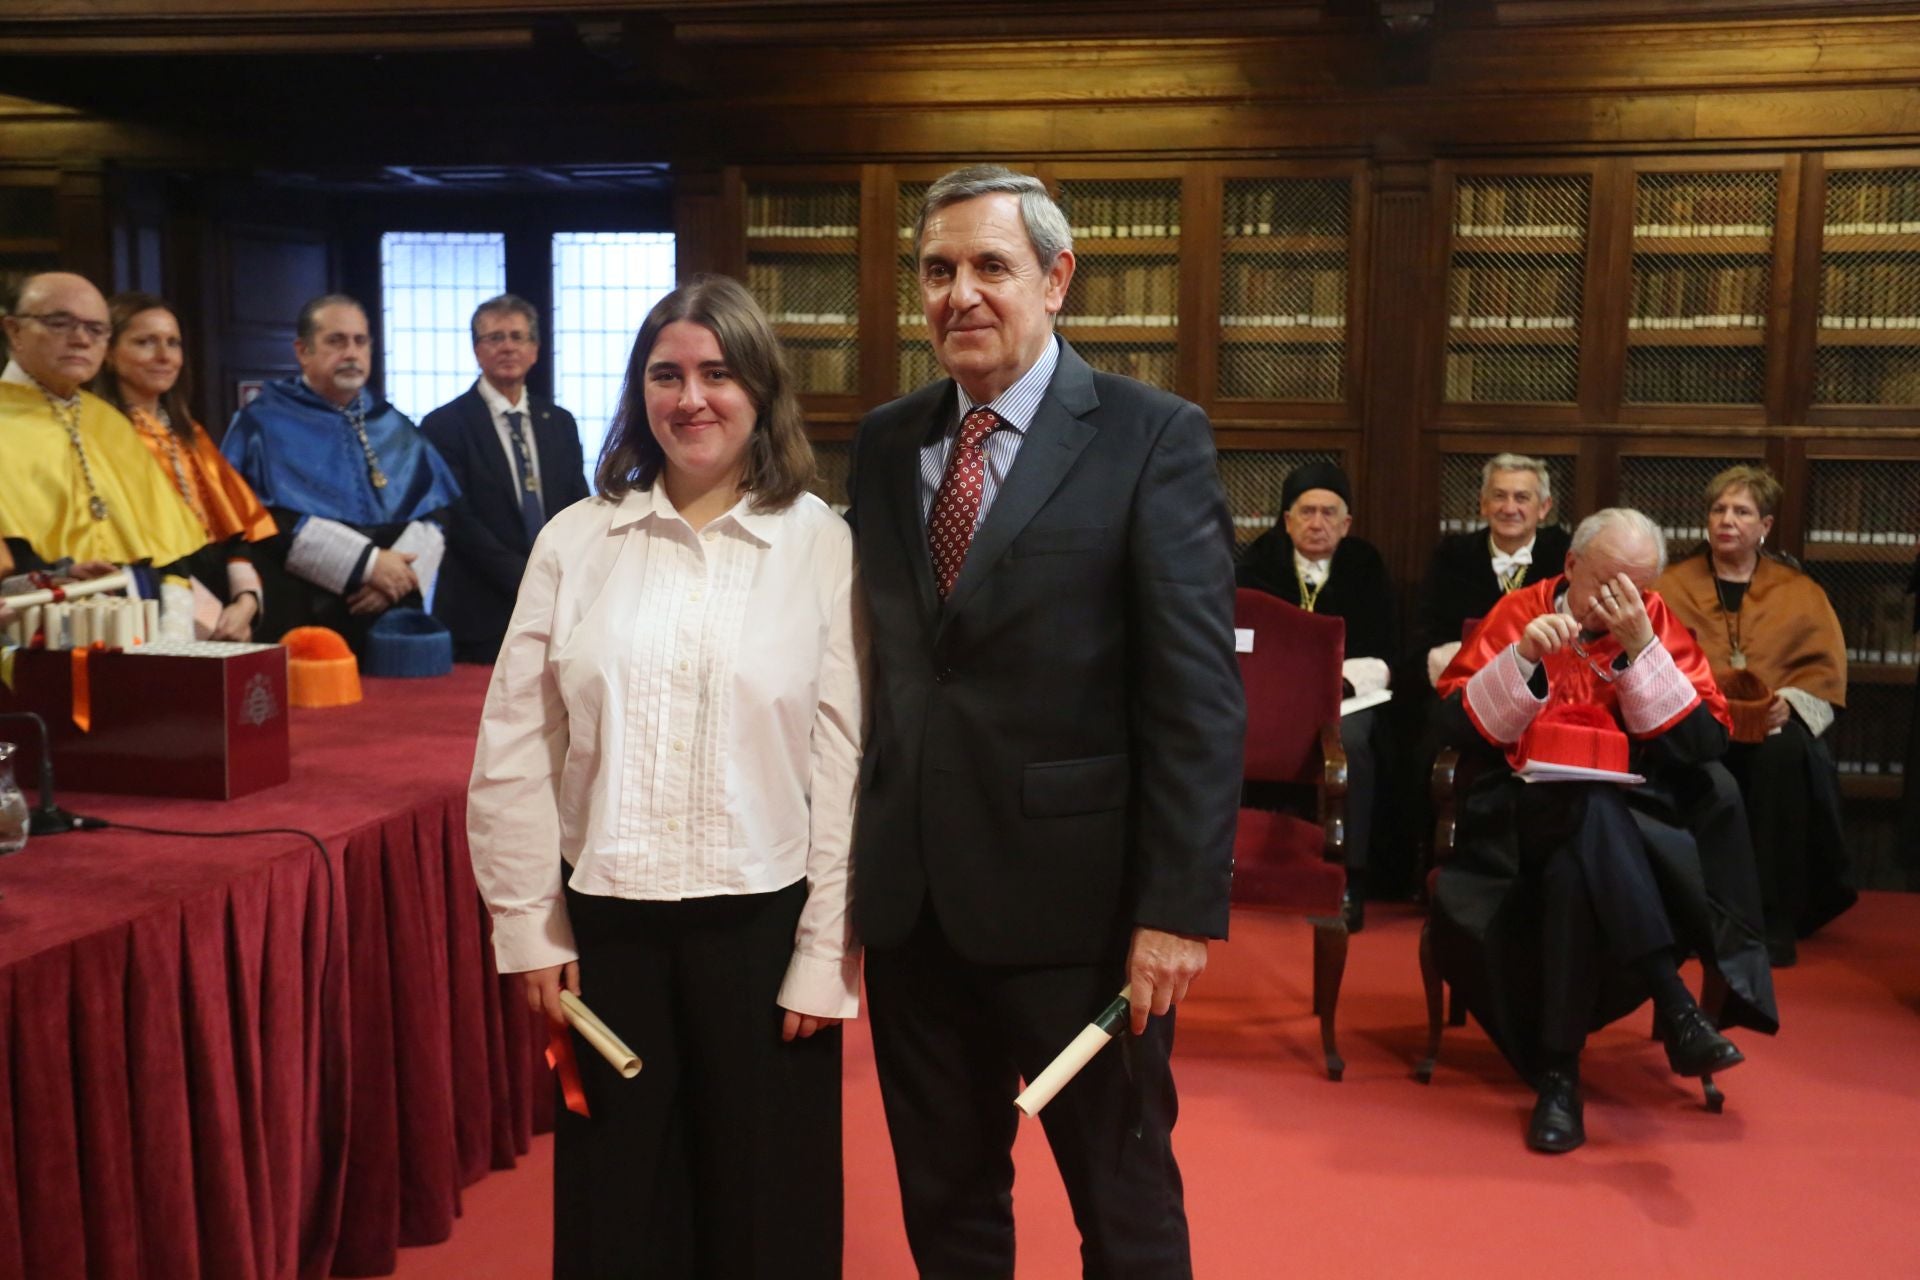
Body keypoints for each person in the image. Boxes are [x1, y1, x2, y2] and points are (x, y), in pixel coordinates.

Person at [849, 164, 1243, 1278]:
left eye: (990, 266)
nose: (960, 294)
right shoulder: (885, 443)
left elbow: (1197, 694)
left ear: (1056, 278)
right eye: (937, 270)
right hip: (915, 906)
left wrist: (1176, 905)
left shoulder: (1149, 435)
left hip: (1083, 915)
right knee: (948, 1202)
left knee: (1124, 1209)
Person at [467, 275, 861, 1279]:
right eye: (667, 374)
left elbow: (846, 757)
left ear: (763, 390)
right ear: (638, 391)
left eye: (720, 373)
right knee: (619, 1211)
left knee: (767, 1208)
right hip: (610, 931)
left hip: (764, 927)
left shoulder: (820, 542)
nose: (693, 398)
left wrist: (827, 950)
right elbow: (515, 744)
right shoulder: (576, 538)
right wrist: (528, 925)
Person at [1432, 508, 1777, 1155]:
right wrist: (1527, 654)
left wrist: (1644, 648)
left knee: (1579, 854)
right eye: (1609, 585)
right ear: (1570, 567)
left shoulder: (1651, 624)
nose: (1623, 603)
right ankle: (1674, 1005)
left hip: (1620, 827)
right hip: (1516, 820)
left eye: (1638, 590)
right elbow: (1453, 728)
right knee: (1581, 815)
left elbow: (1705, 742)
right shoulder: (1519, 611)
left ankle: (1560, 1080)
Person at [1653, 465, 1856, 965]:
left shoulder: (1798, 591)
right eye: (1718, 510)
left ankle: (1770, 917)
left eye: (1741, 512)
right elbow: (1651, 659)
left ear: (1764, 525)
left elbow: (1822, 672)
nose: (1727, 521)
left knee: (1785, 752)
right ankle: (1694, 914)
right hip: (1695, 719)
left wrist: (1792, 701)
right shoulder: (1671, 586)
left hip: (1771, 726)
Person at [220, 293, 460, 648]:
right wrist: (367, 565)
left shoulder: (391, 422)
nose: (351, 353)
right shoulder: (261, 423)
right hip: (303, 611)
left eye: (360, 341)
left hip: (389, 615)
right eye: (336, 341)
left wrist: (396, 577)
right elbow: (258, 521)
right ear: (303, 351)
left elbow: (437, 510)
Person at [1236, 460, 1396, 928]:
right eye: (1306, 512)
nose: (1317, 523)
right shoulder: (1257, 562)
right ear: (1287, 520)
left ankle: (1350, 878)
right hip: (1269, 697)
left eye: (1329, 513)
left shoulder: (1366, 567)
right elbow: (1241, 638)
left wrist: (1336, 682)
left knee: (1354, 745)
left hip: (1346, 698)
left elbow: (1386, 650)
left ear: (1346, 524)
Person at [92, 291, 279, 641]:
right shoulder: (100, 438)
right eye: (145, 342)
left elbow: (234, 533)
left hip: (222, 603)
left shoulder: (189, 433)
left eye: (173, 343)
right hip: (150, 606)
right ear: (110, 355)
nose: (164, 356)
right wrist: (207, 616)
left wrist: (245, 602)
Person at [421, 294, 590, 663]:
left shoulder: (560, 422)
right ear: (477, 350)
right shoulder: (444, 425)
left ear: (535, 349)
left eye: (518, 337)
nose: (508, 347)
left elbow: (580, 506)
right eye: (495, 338)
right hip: (479, 612)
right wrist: (530, 578)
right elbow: (458, 520)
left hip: (558, 607)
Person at [0, 272, 205, 569]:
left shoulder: (111, 422)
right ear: (14, 330)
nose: (82, 339)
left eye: (96, 329)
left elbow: (165, 551)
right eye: (60, 324)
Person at [1415, 453, 1572, 686]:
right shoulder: (1452, 556)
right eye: (1499, 496)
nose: (1509, 508)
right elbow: (1428, 634)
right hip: (1466, 684)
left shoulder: (1565, 557)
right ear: (1483, 504)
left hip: (1546, 685)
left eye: (1521, 498)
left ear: (1543, 507)